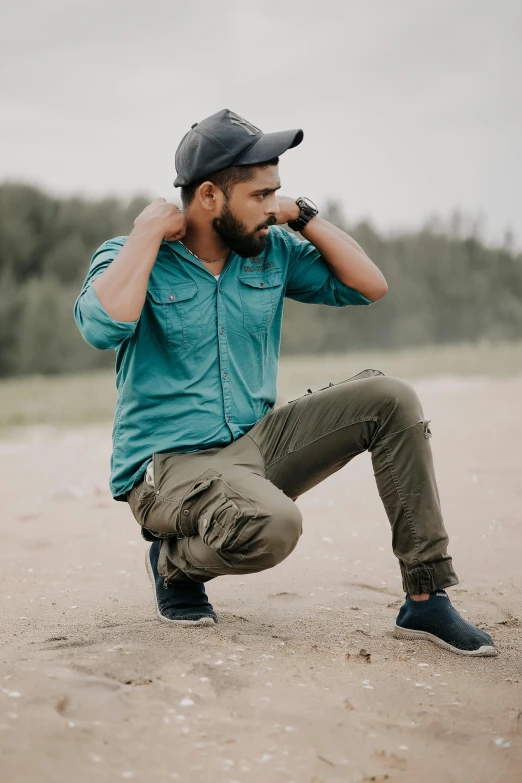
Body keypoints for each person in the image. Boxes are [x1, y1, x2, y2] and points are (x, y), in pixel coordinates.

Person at [73, 108, 497, 657]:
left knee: (390, 399)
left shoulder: (271, 249)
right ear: (208, 197)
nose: (272, 205)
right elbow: (100, 327)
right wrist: (148, 229)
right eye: (260, 195)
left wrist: (304, 217)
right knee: (275, 527)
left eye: (277, 191)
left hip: (256, 444)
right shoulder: (134, 255)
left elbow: (370, 285)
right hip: (168, 466)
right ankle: (174, 564)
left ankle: (425, 599)